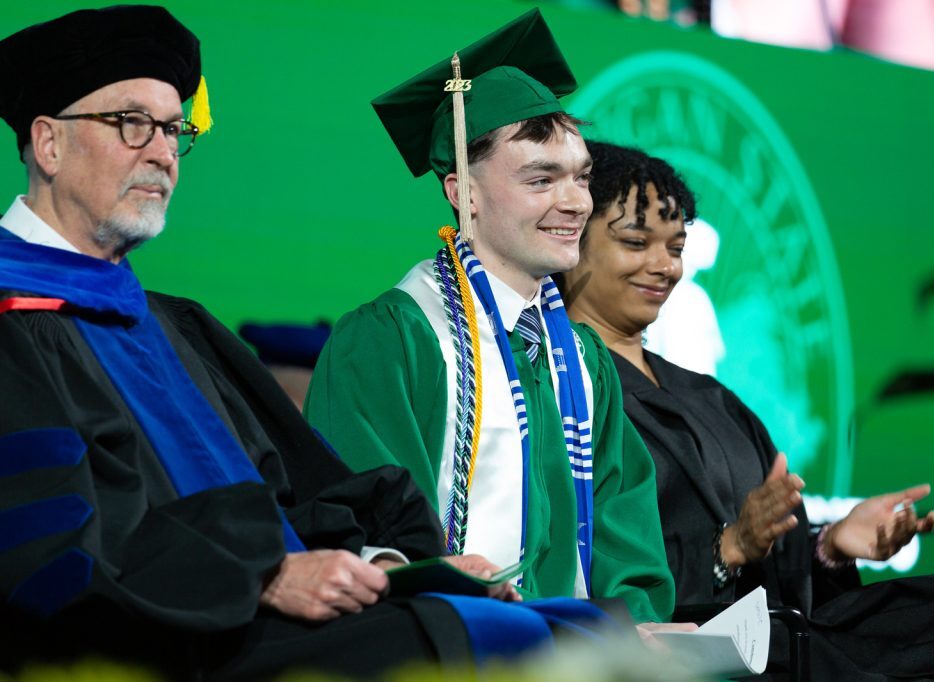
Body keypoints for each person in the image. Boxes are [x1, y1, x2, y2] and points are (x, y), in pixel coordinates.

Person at [0, 7, 565, 679]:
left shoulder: (178, 326)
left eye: (174, 130)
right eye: (132, 124)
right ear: (49, 143)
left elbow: (298, 494)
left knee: (568, 626)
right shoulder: (13, 323)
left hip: (263, 627)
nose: (162, 152)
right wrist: (261, 576)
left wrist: (392, 566)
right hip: (159, 646)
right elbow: (47, 561)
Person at [559, 140, 934, 679]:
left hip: (783, 635)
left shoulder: (711, 399)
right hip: (678, 653)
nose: (664, 267)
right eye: (636, 242)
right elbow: (572, 571)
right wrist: (726, 549)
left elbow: (779, 573)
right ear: (572, 241)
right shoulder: (559, 393)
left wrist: (830, 547)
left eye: (677, 247)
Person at [305, 10, 675, 628]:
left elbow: (627, 550)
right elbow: (363, 533)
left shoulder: (582, 362)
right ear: (463, 193)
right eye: (542, 179)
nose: (576, 201)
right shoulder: (391, 341)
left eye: (581, 177)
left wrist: (629, 636)